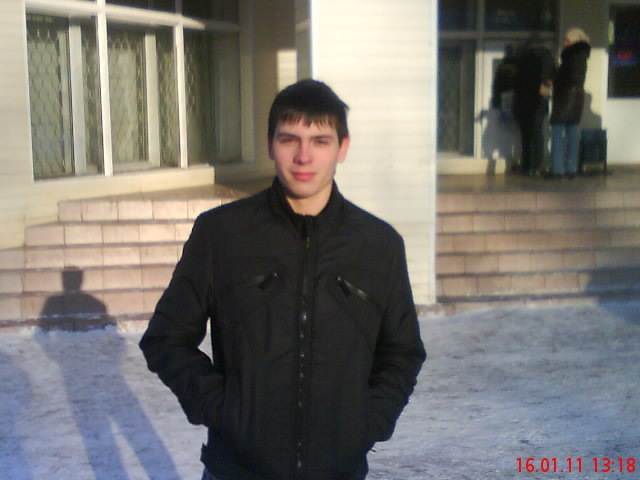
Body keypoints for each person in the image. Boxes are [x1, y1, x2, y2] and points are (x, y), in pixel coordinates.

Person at [139, 79, 427, 480]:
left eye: (320, 141)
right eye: (289, 139)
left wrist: (368, 422)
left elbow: (403, 352)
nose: (303, 156)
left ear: (342, 148)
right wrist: (224, 410)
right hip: (238, 470)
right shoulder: (222, 234)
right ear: (270, 145)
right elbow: (166, 338)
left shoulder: (378, 245)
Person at [549, 28, 591, 178]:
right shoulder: (582, 56)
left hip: (565, 97)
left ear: (573, 41)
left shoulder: (571, 56)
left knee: (557, 132)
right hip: (577, 98)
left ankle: (557, 169)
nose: (564, 42)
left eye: (567, 40)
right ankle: (571, 168)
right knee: (572, 133)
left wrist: (555, 81)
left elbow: (569, 77)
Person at [511, 39, 555, 175]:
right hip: (539, 101)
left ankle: (527, 165)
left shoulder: (522, 58)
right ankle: (537, 165)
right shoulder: (548, 58)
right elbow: (552, 78)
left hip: (523, 101)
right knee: (537, 133)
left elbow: (516, 80)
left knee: (526, 135)